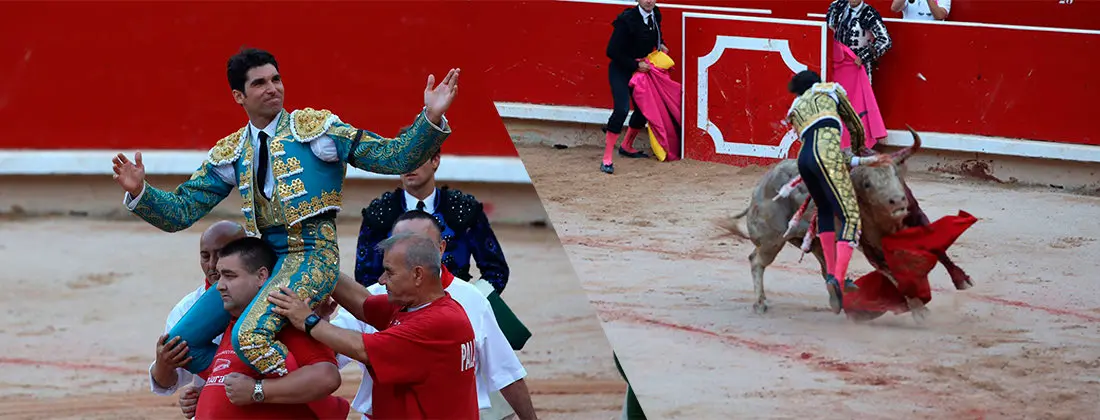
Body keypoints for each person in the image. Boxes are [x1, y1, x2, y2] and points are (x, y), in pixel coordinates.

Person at [111, 46, 460, 378]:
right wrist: (141, 191)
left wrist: (430, 116)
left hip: (313, 254)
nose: (272, 88)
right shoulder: (234, 150)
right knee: (179, 345)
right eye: (259, 83)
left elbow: (394, 157)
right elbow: (181, 212)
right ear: (239, 96)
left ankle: (305, 396)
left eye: (276, 79)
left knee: (250, 338)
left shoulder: (317, 132)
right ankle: (234, 391)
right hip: (264, 257)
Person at [334, 210, 536, 420]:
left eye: (419, 244)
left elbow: (506, 373)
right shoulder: (383, 293)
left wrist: (309, 321)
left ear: (440, 249)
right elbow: (334, 353)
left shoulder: (473, 299)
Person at [268, 232, 479, 420]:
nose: (381, 280)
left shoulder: (435, 324)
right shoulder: (422, 307)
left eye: (389, 272)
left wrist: (308, 320)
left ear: (417, 275)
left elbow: (361, 347)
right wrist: (317, 264)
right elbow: (362, 303)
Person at [178, 237, 348, 419]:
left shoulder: (282, 324)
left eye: (230, 276)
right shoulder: (234, 325)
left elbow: (326, 378)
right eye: (219, 276)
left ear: (261, 276)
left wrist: (257, 390)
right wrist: (206, 391)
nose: (219, 286)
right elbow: (237, 378)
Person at [785, 70, 891, 313]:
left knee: (824, 211)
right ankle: (838, 279)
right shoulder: (831, 90)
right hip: (828, 157)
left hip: (804, 161)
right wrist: (858, 151)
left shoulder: (798, 106)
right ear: (818, 82)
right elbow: (854, 124)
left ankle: (832, 275)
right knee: (851, 217)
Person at [355, 140, 508, 294]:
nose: (408, 165)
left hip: (454, 310)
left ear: (435, 160)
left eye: (416, 158)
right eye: (402, 159)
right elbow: (365, 277)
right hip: (397, 310)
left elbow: (496, 271)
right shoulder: (379, 214)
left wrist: (468, 301)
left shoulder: (464, 210)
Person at [149, 220, 246, 397]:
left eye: (222, 254)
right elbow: (166, 384)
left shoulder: (275, 297)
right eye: (205, 256)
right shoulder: (187, 308)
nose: (212, 265)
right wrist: (163, 364)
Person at [600, 0, 668, 174]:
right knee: (622, 109)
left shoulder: (655, 14)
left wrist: (660, 44)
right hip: (622, 69)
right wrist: (635, 65)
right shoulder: (627, 20)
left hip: (641, 70)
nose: (649, 1)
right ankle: (607, 158)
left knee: (643, 110)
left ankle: (627, 145)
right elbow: (612, 51)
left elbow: (655, 34)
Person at [826, 0, 892, 83]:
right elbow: (828, 28)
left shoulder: (869, 14)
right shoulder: (838, 6)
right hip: (837, 64)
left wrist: (864, 56)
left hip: (858, 65)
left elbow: (885, 41)